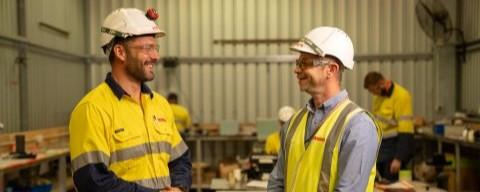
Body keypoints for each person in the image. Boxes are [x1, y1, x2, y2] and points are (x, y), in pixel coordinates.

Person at [69, 8, 191, 192]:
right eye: (147, 48)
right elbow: (92, 182)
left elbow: (180, 158)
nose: (156, 56)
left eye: (155, 47)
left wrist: (179, 187)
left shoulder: (160, 105)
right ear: (120, 52)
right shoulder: (92, 109)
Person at [267, 26, 381, 192]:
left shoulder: (358, 126)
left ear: (331, 69)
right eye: (298, 63)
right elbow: (277, 184)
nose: (297, 69)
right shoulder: (293, 123)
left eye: (305, 63)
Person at [364, 71, 414, 182]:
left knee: (393, 185)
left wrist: (399, 158)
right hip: (382, 150)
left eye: (374, 90)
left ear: (381, 83)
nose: (374, 94)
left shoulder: (402, 96)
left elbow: (406, 131)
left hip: (394, 149)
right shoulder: (379, 97)